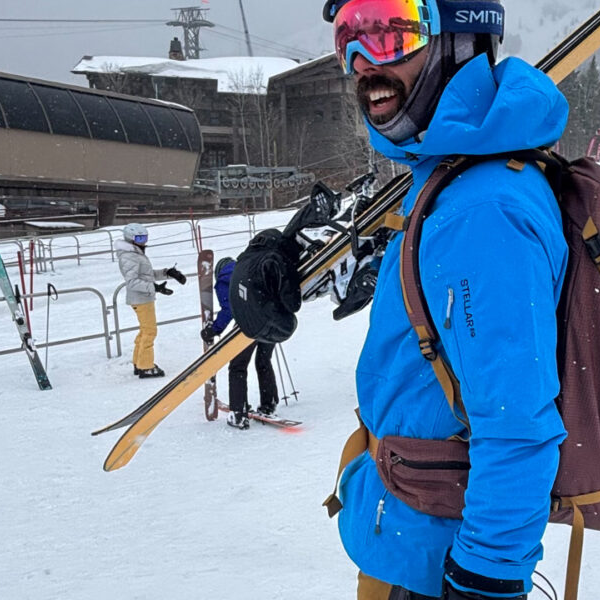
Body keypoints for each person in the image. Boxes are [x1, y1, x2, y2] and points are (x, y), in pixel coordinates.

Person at [233, 1, 569, 598]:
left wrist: (484, 580)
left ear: (462, 38)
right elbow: (411, 274)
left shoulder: (483, 210)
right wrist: (289, 259)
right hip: (407, 527)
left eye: (390, 32)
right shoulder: (448, 173)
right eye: (349, 38)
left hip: (438, 563)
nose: (364, 62)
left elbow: (517, 423)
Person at [201, 256, 279, 429]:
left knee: (237, 366)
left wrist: (214, 329)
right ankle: (269, 403)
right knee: (263, 360)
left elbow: (229, 308)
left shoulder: (224, 279)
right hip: (272, 320)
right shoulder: (250, 269)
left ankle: (238, 413)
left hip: (249, 322)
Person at [115, 223, 186, 378]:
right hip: (141, 299)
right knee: (150, 331)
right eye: (139, 238)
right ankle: (146, 366)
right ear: (130, 238)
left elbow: (147, 275)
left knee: (144, 330)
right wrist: (155, 288)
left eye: (145, 237)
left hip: (143, 297)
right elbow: (132, 282)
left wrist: (168, 273)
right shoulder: (129, 256)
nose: (143, 241)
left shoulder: (136, 253)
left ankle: (138, 361)